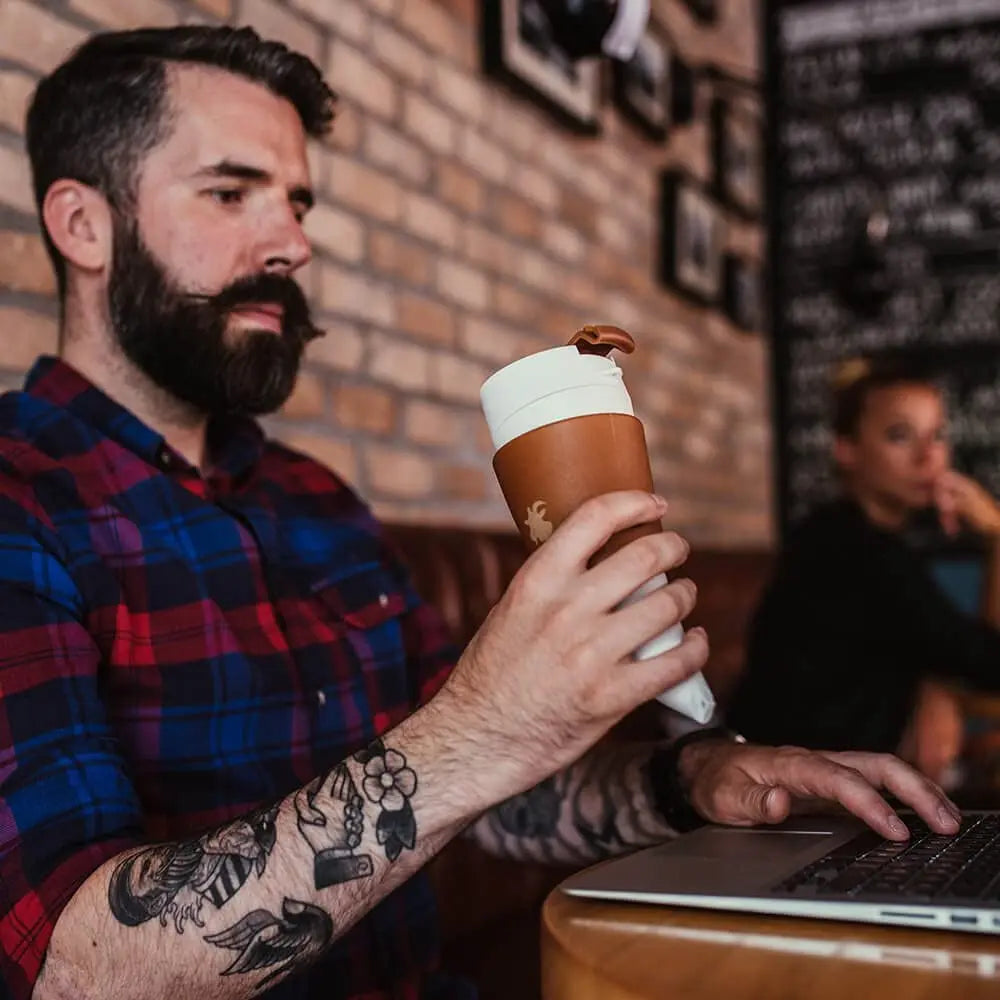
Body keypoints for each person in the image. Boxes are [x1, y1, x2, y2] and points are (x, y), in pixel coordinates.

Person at [0, 27, 962, 1000]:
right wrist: (481, 728)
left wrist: (693, 781)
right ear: (84, 224)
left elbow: (490, 803)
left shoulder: (315, 501)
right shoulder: (19, 494)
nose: (291, 241)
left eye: (296, 202)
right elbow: (76, 970)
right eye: (229, 192)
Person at [729, 357, 1000, 769]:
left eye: (937, 435)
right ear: (847, 449)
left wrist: (933, 684)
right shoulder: (853, 550)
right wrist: (997, 535)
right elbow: (991, 664)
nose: (928, 456)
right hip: (783, 790)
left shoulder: (844, 533)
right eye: (899, 435)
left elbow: (931, 650)